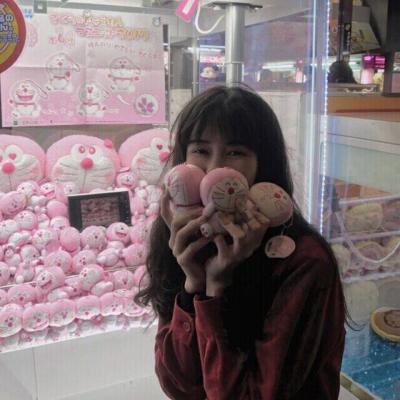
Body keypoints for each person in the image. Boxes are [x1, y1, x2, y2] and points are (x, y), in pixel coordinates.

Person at [136, 86, 346, 399]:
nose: (213, 170)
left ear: (263, 165)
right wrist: (193, 284)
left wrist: (217, 288)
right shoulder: (184, 240)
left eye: (235, 153)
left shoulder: (304, 260)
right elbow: (178, 385)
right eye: (201, 150)